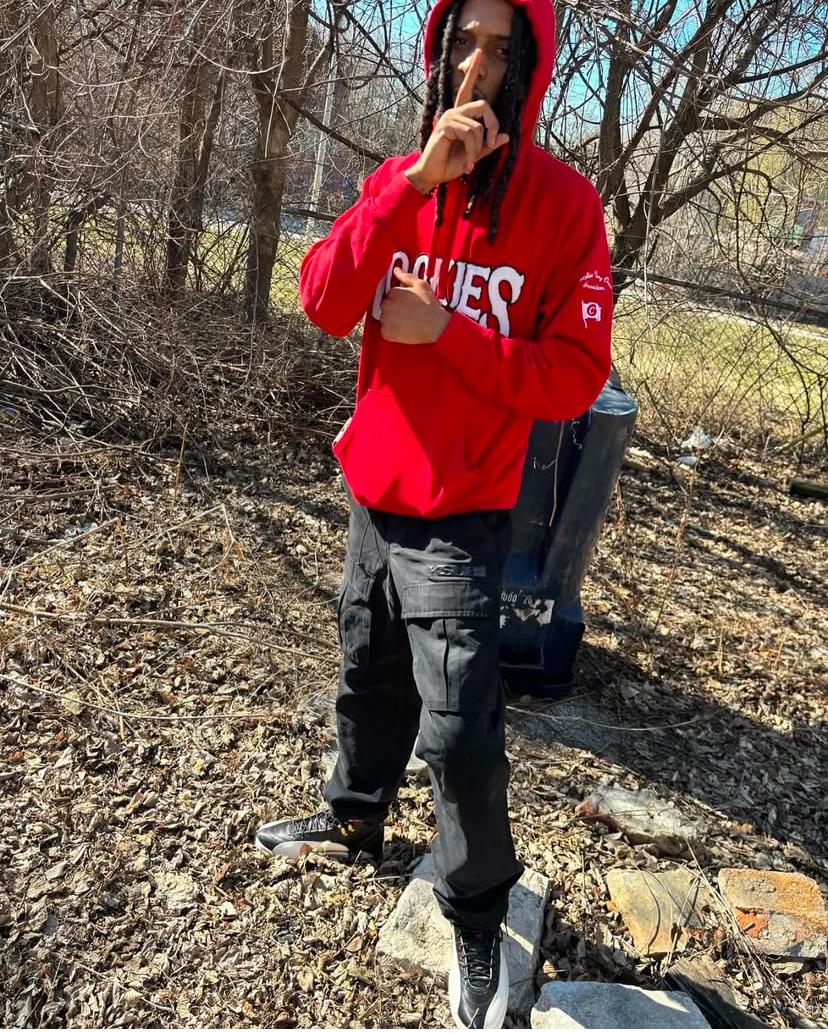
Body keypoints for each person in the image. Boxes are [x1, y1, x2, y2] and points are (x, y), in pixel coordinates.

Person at [255, 0, 611, 1025]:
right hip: (376, 487)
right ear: (438, 52)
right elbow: (323, 301)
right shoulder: (399, 182)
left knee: (458, 731)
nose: (476, 67)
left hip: (462, 509)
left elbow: (574, 377)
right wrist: (413, 182)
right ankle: (353, 817)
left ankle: (475, 909)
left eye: (500, 49)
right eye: (463, 42)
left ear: (528, 67)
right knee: (365, 671)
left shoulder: (565, 206)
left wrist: (447, 328)